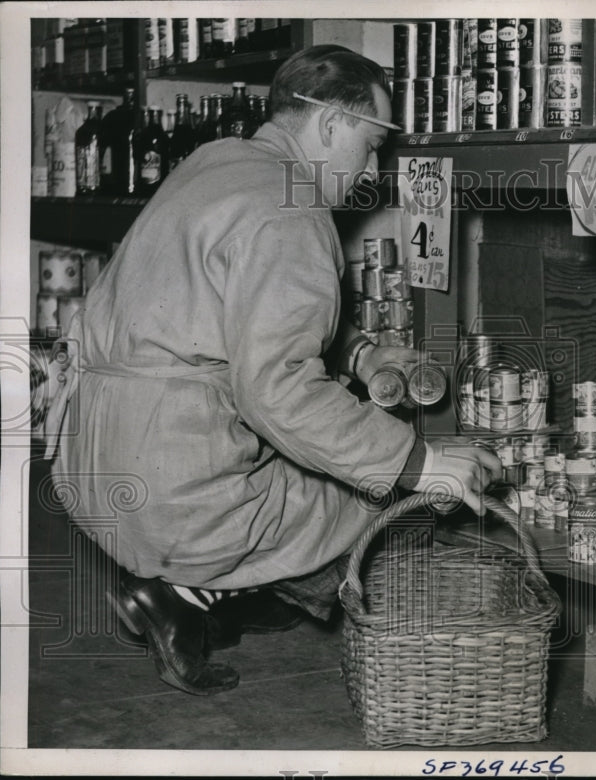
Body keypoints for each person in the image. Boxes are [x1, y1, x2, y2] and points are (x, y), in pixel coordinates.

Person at [46, 45, 501, 696]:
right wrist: (419, 464)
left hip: (93, 464)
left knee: (327, 465)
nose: (371, 168)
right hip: (170, 488)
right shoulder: (294, 208)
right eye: (371, 145)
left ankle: (180, 592)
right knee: (380, 508)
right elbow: (277, 394)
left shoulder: (218, 160)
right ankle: (189, 590)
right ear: (328, 125)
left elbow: (230, 311)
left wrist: (361, 355)